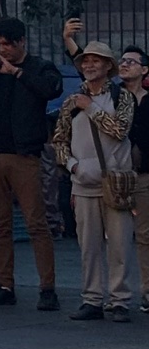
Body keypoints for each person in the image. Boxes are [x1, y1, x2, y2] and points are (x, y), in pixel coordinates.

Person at [0, 16, 64, 310]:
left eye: (7, 44)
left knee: (36, 223)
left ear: (21, 41)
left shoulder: (39, 67)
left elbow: (51, 90)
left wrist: (16, 72)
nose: (2, 50)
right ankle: (4, 284)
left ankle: (47, 287)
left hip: (25, 156)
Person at [51, 41, 136, 322]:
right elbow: (59, 140)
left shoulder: (122, 97)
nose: (89, 65)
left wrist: (90, 108)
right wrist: (73, 166)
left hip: (116, 183)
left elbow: (120, 130)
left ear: (108, 66)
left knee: (120, 245)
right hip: (83, 183)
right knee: (88, 247)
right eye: (85, 61)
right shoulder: (70, 101)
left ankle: (120, 300)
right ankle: (92, 299)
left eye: (96, 60)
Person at [120, 44, 149, 310]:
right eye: (122, 60)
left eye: (131, 61)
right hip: (116, 174)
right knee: (115, 235)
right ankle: (116, 293)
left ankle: (147, 290)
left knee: (144, 234)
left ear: (145, 69)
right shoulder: (113, 97)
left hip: (143, 173)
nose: (125, 64)